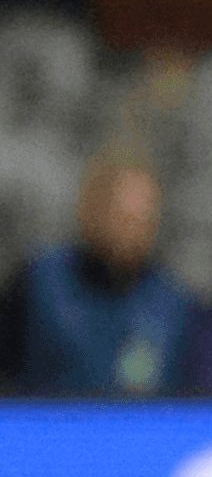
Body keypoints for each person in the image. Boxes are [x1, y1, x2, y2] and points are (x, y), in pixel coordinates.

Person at [0, 155, 192, 396]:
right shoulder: (41, 282)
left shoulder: (170, 303)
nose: (131, 232)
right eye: (122, 217)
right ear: (91, 211)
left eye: (143, 220)